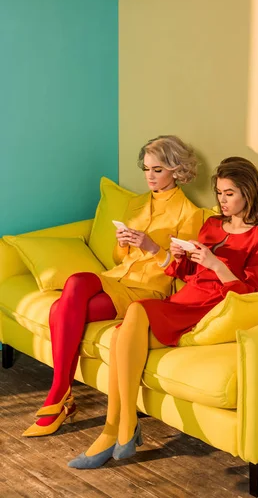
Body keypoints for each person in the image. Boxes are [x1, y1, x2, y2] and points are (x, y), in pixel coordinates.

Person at [67, 156, 258, 469]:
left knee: (135, 313)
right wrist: (180, 255)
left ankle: (121, 429)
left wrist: (215, 264)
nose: (222, 200)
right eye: (219, 193)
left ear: (248, 193)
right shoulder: (212, 224)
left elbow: (252, 293)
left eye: (229, 193)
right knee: (121, 334)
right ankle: (118, 428)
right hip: (184, 300)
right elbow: (187, 275)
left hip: (209, 306)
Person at [23, 135, 203, 437]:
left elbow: (185, 272)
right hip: (115, 278)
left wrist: (151, 247)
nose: (150, 176)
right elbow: (118, 258)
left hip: (145, 291)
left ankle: (59, 396)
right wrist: (122, 245)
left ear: (176, 169)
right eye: (146, 169)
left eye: (157, 170)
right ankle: (61, 391)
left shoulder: (190, 213)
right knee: (76, 281)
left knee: (59, 310)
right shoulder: (136, 204)